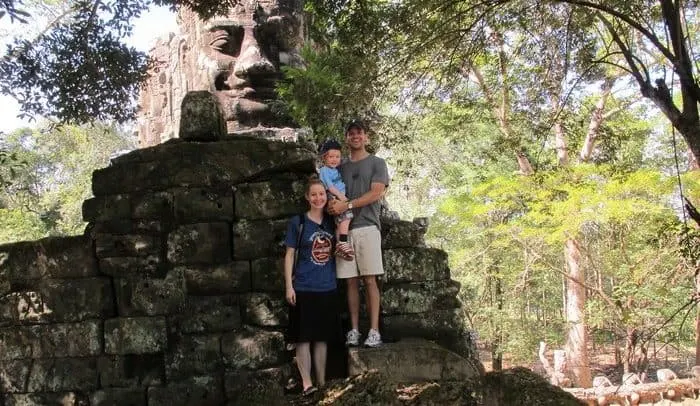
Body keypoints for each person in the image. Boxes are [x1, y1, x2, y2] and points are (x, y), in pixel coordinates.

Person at [328, 119, 389, 348]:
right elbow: (331, 193)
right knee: (350, 282)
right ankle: (354, 330)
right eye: (351, 133)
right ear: (346, 138)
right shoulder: (339, 167)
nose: (355, 136)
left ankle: (374, 331)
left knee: (370, 280)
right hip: (343, 230)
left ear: (366, 137)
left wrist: (348, 206)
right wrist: (333, 206)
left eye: (359, 133)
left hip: (367, 227)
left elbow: (376, 193)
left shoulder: (377, 163)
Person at [284, 176, 339, 396]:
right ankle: (307, 384)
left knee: (321, 337)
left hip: (327, 286)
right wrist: (289, 286)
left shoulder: (331, 221)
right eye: (314, 194)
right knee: (303, 337)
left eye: (322, 194)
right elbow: (289, 255)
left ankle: (322, 382)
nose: (318, 198)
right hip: (304, 287)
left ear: (327, 196)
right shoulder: (298, 222)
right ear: (307, 197)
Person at [318, 139, 355, 261]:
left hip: (338, 195)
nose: (334, 159)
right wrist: (342, 197)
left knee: (340, 223)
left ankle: (340, 246)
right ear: (324, 158)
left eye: (337, 157)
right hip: (333, 195)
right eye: (331, 156)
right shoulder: (324, 170)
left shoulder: (336, 170)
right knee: (347, 216)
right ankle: (343, 243)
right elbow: (330, 187)